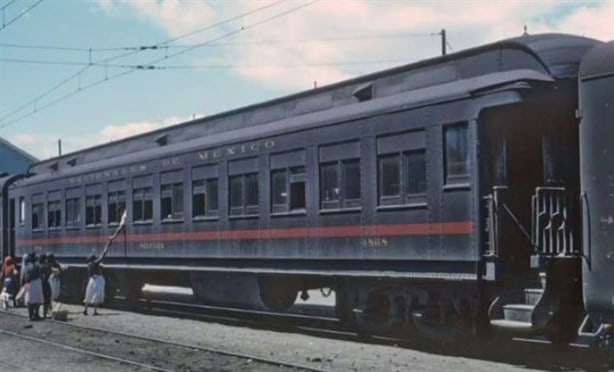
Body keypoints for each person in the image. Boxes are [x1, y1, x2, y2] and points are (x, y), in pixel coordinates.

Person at [83, 210, 127, 316]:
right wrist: (108, 244)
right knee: (96, 295)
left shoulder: (89, 265)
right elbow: (103, 254)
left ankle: (85, 310)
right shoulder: (96, 263)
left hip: (91, 280)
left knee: (88, 294)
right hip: (97, 280)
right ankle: (94, 311)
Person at [24, 253, 43, 321]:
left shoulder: (27, 267)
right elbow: (41, 275)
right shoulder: (38, 266)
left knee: (30, 301)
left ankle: (30, 316)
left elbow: (26, 278)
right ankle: (36, 315)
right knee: (37, 300)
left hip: (30, 284)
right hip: (37, 283)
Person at [39, 254, 52, 318]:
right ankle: (44, 313)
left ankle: (38, 313)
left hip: (39, 283)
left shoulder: (38, 266)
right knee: (47, 298)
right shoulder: (46, 267)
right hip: (45, 283)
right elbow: (47, 275)